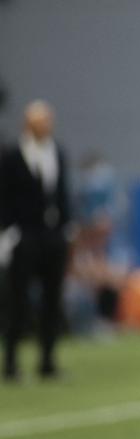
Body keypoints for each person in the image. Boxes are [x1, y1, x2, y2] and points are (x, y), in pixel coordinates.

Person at [0, 100, 72, 381]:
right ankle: (11, 363)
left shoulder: (57, 153)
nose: (46, 125)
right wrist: (9, 231)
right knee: (18, 301)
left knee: (52, 300)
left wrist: (66, 228)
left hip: (53, 236)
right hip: (24, 235)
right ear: (28, 124)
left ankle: (47, 361)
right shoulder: (12, 156)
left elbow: (61, 193)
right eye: (40, 121)